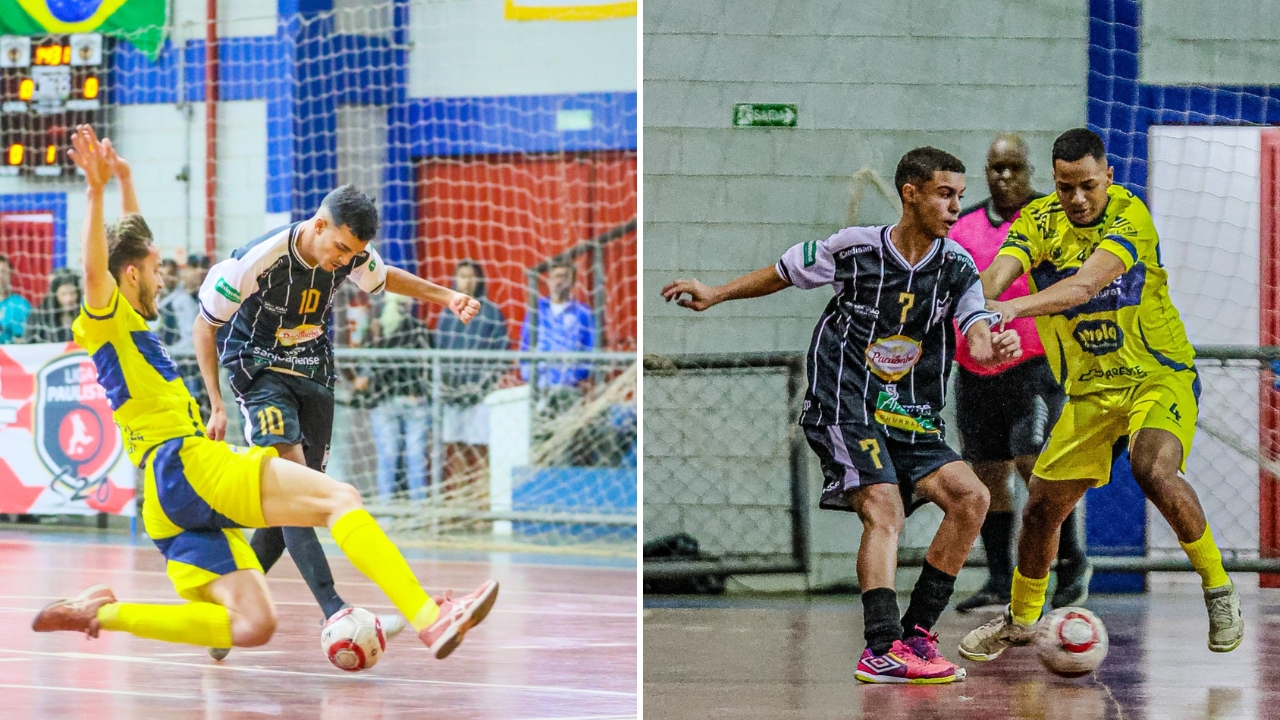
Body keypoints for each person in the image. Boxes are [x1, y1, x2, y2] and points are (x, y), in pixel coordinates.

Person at [33, 125, 498, 661]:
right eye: (157, 272)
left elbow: (129, 250)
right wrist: (95, 191)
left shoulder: (133, 320)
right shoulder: (106, 319)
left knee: (253, 624)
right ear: (132, 275)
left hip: (168, 495)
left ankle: (100, 614)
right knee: (338, 498)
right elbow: (99, 269)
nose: (163, 281)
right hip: (185, 465)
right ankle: (428, 617)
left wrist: (126, 180)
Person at [662, 147, 1022, 684]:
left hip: (911, 414)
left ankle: (917, 635)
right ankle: (881, 647)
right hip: (845, 403)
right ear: (911, 194)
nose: (954, 207)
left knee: (972, 498)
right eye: (944, 195)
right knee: (885, 509)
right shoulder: (854, 248)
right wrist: (715, 293)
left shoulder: (958, 267)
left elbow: (975, 330)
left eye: (959, 197)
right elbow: (782, 272)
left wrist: (991, 350)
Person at [959, 128, 1244, 662]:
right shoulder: (1038, 220)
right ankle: (1021, 620)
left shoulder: (1128, 214)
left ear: (1107, 177)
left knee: (1152, 469)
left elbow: (1084, 286)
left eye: (1088, 185)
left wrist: (1012, 310)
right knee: (1040, 509)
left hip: (1156, 377)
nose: (1077, 198)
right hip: (1090, 392)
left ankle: (1219, 589)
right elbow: (997, 274)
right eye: (1065, 187)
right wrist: (974, 310)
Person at [193, 183, 482, 660]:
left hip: (314, 371)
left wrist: (447, 296)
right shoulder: (255, 261)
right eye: (341, 248)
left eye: (354, 253)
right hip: (259, 371)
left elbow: (384, 278)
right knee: (295, 486)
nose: (345, 259)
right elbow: (205, 327)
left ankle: (229, 616)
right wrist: (216, 403)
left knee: (298, 501)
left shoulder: (352, 254)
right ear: (319, 224)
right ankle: (336, 608)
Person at [950, 134, 1089, 613]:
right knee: (987, 473)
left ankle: (1070, 564)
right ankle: (998, 579)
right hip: (974, 369)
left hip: (1034, 365)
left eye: (1014, 166)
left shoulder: (1051, 220)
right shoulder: (963, 228)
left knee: (1037, 465)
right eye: (996, 167)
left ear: (1031, 170)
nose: (1005, 176)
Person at [436, 260, 509, 493]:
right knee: (456, 449)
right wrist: (446, 386)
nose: (466, 281)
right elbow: (439, 353)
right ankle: (459, 500)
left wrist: (484, 386)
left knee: (481, 449)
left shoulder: (492, 314)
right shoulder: (446, 315)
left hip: (480, 396)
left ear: (479, 280)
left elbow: (501, 354)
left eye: (471, 276)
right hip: (452, 395)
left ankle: (482, 500)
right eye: (462, 275)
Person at [355, 295, 433, 501]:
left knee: (409, 457)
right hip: (391, 402)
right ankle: (393, 509)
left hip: (408, 401)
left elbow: (428, 368)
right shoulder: (376, 331)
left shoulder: (415, 329)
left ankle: (407, 508)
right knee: (396, 456)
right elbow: (363, 370)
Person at [520, 258, 593, 418]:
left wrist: (572, 375)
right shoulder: (536, 310)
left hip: (568, 390)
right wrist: (531, 376)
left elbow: (591, 352)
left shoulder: (583, 313)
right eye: (555, 276)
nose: (559, 281)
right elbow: (525, 348)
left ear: (573, 281)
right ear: (548, 281)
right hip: (537, 387)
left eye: (564, 276)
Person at [27, 271, 82, 344]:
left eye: (72, 293)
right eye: (63, 294)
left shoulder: (84, 314)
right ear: (55, 295)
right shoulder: (39, 315)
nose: (69, 299)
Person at [0, 256, 31, 344]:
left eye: (3, 272)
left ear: (10, 275)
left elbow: (22, 338)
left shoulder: (20, 305)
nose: (0, 276)